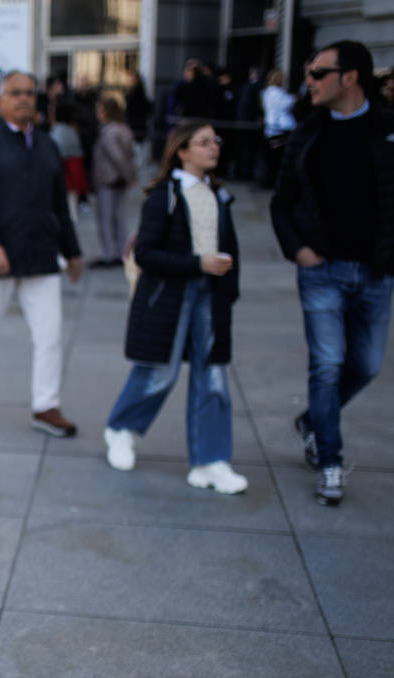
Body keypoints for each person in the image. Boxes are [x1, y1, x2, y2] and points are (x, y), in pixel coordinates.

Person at [271, 40, 394, 507]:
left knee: (367, 365)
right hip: (321, 271)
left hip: (377, 271)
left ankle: (312, 422)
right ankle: (330, 461)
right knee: (327, 365)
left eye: (319, 73)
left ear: (351, 76)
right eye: (308, 72)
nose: (310, 81)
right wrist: (297, 248)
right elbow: (282, 200)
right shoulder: (308, 132)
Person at [104, 119, 247, 494]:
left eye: (215, 140)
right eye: (203, 142)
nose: (213, 147)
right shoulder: (164, 195)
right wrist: (197, 264)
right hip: (168, 296)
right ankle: (120, 430)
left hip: (211, 296)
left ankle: (211, 461)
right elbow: (147, 254)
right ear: (182, 151)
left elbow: (230, 247)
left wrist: (227, 291)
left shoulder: (219, 195)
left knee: (213, 378)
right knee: (158, 372)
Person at [0, 70, 82, 438]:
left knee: (50, 336)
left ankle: (46, 406)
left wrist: (72, 251)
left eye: (30, 92)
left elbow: (61, 207)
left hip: (41, 256)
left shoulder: (48, 146)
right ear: (0, 102)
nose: (24, 99)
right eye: (16, 93)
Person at [91, 96, 138, 266]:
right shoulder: (123, 129)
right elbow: (129, 156)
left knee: (107, 218)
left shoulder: (110, 131)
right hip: (117, 179)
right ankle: (119, 252)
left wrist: (128, 176)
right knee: (118, 217)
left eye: (100, 110)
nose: (97, 113)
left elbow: (118, 157)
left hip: (109, 179)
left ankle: (109, 254)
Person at [49, 104, 87, 222]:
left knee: (68, 195)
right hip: (73, 164)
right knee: (72, 195)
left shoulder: (57, 131)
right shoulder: (71, 130)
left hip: (65, 165)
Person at [260, 68, 296, 190]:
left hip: (271, 128)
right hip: (280, 128)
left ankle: (268, 180)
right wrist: (293, 99)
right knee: (277, 159)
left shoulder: (267, 92)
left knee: (271, 158)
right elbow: (285, 106)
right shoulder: (278, 93)